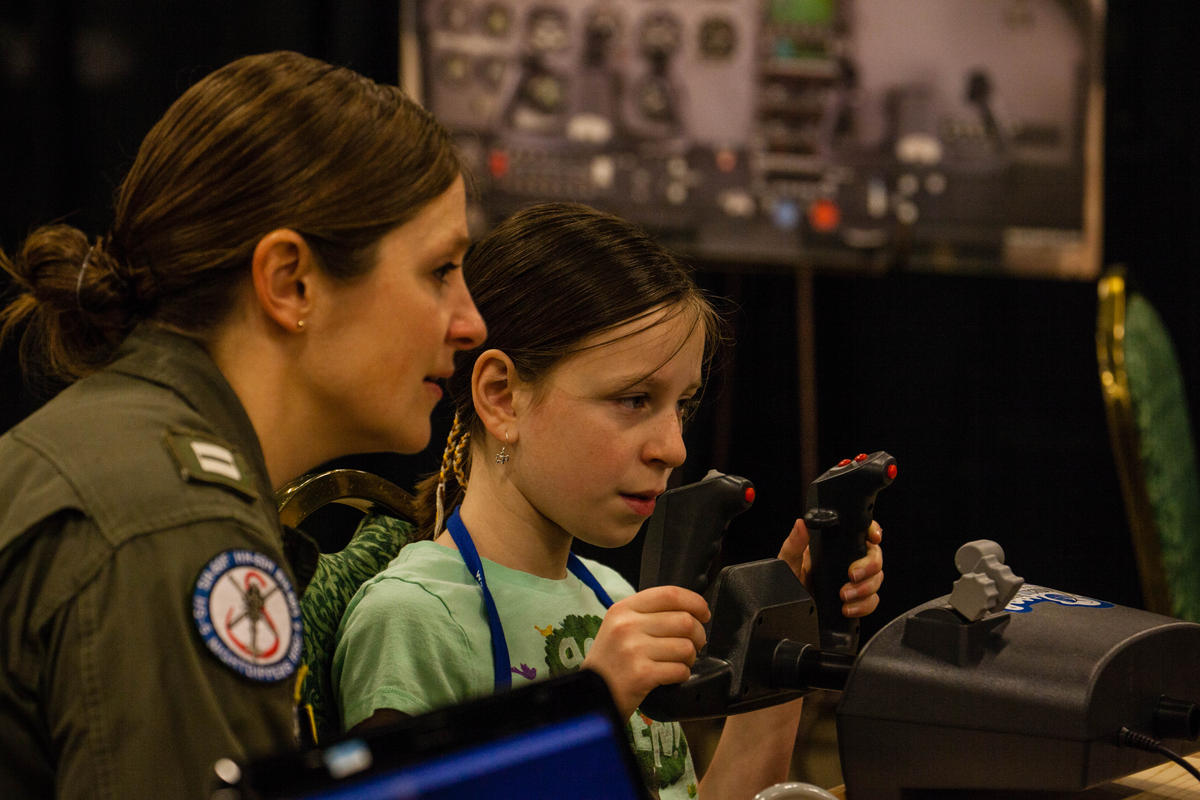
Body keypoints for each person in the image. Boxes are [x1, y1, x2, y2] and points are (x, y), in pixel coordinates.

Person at [0, 51, 486, 799]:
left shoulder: (123, 459)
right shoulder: (174, 526)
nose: (470, 323)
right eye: (439, 271)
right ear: (291, 282)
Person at [333, 202, 884, 798]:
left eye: (683, 406)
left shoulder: (615, 598)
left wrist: (786, 638)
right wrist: (590, 708)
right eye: (633, 400)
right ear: (501, 397)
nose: (674, 448)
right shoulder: (416, 621)